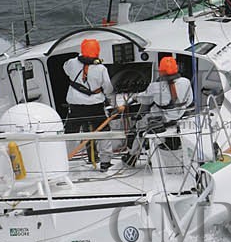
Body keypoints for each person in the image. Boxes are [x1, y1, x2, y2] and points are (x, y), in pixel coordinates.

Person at [125, 56, 194, 162]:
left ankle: (132, 157)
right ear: (176, 68)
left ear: (161, 71)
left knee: (138, 126)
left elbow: (145, 100)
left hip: (162, 119)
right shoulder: (186, 82)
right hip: (180, 116)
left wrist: (134, 97)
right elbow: (189, 101)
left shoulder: (155, 86)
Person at [63, 38, 115, 168]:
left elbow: (66, 70)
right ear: (97, 51)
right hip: (95, 106)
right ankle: (105, 162)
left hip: (76, 106)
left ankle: (64, 160)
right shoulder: (101, 68)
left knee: (70, 133)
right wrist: (108, 97)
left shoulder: (71, 63)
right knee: (103, 131)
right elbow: (108, 88)